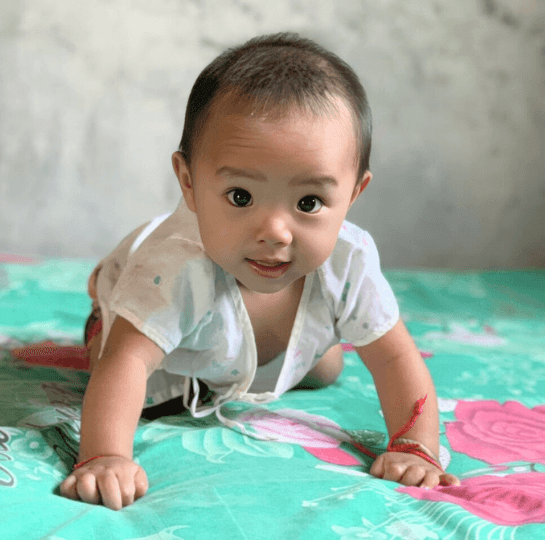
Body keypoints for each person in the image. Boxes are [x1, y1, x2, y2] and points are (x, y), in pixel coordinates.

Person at [53, 32, 460, 510]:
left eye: (309, 202)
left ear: (352, 195)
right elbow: (127, 363)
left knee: (323, 369)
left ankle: (292, 350)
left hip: (249, 337)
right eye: (240, 197)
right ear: (189, 183)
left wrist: (415, 446)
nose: (275, 232)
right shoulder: (175, 266)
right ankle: (104, 316)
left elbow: (394, 358)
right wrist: (104, 456)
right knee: (126, 373)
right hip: (153, 318)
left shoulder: (349, 262)